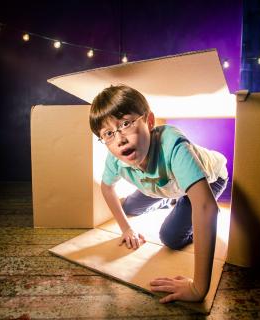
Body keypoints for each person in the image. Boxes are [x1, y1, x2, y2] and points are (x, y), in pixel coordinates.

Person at [89, 84, 228, 303]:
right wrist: (126, 229)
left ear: (149, 121)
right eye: (108, 133)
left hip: (209, 178)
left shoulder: (172, 144)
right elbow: (107, 188)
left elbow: (206, 208)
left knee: (170, 237)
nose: (119, 139)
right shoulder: (116, 159)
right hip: (164, 185)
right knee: (129, 207)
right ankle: (168, 201)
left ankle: (179, 202)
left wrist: (199, 289)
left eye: (125, 124)